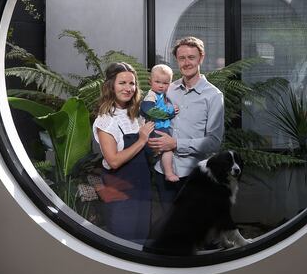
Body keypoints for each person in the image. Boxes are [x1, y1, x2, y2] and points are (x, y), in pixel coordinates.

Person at [147, 36, 224, 207]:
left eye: (191, 57)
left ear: (201, 58)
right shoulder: (169, 89)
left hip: (193, 175)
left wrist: (175, 143)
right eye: (182, 58)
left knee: (191, 229)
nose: (186, 63)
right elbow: (153, 114)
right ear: (176, 60)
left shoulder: (213, 96)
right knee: (168, 227)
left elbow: (214, 142)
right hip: (163, 172)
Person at [92, 62, 155, 244]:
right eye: (122, 83)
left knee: (142, 238)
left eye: (132, 83)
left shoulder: (136, 114)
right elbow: (113, 161)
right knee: (123, 242)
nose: (128, 88)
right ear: (111, 85)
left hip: (142, 188)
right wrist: (142, 140)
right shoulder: (105, 120)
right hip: (120, 189)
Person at [141, 63, 179, 182]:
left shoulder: (162, 95)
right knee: (167, 149)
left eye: (165, 83)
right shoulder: (151, 96)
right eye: (157, 82)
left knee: (164, 151)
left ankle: (163, 172)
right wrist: (170, 111)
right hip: (155, 128)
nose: (161, 86)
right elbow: (150, 110)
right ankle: (168, 173)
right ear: (150, 81)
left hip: (161, 127)